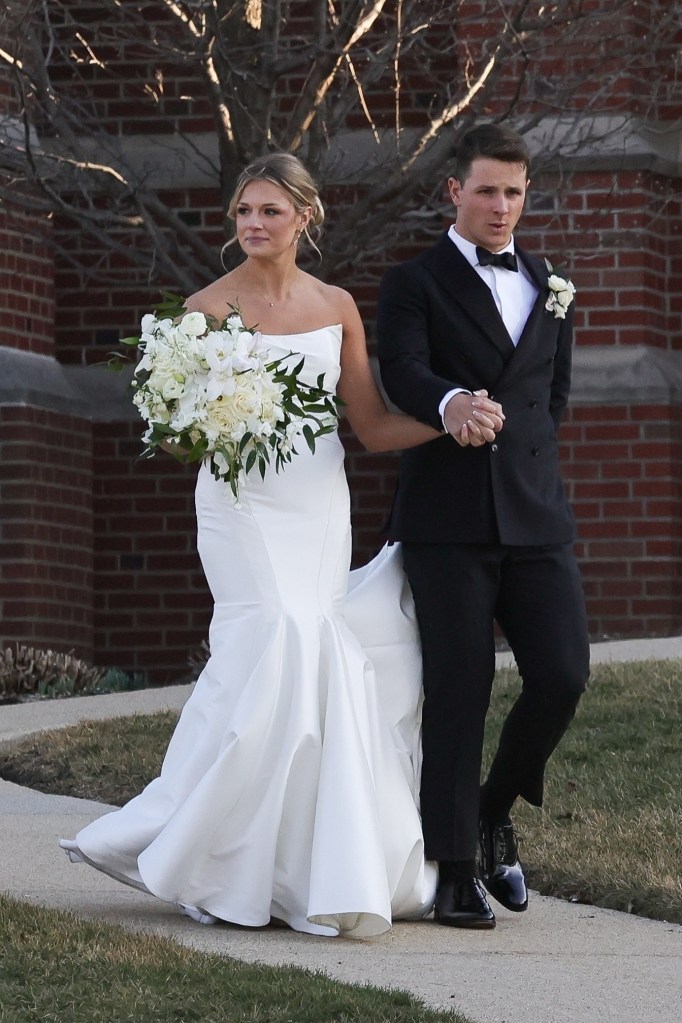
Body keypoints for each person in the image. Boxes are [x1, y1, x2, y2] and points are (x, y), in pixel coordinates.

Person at [59, 152, 466, 938]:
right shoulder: (202, 309)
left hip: (316, 501)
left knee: (310, 652)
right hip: (240, 504)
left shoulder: (338, 305)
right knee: (274, 635)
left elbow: (373, 425)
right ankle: (212, 850)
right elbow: (175, 438)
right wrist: (207, 420)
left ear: (304, 219)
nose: (252, 223)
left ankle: (300, 864)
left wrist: (448, 422)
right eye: (244, 211)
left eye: (269, 212)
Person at [377, 123, 590, 930]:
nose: (502, 206)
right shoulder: (414, 281)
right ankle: (456, 868)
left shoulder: (551, 282)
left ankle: (493, 807)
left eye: (514, 192)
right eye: (488, 190)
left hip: (536, 517)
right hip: (449, 520)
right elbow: (399, 368)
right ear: (453, 193)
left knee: (564, 673)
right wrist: (451, 404)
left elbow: (552, 399)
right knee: (460, 688)